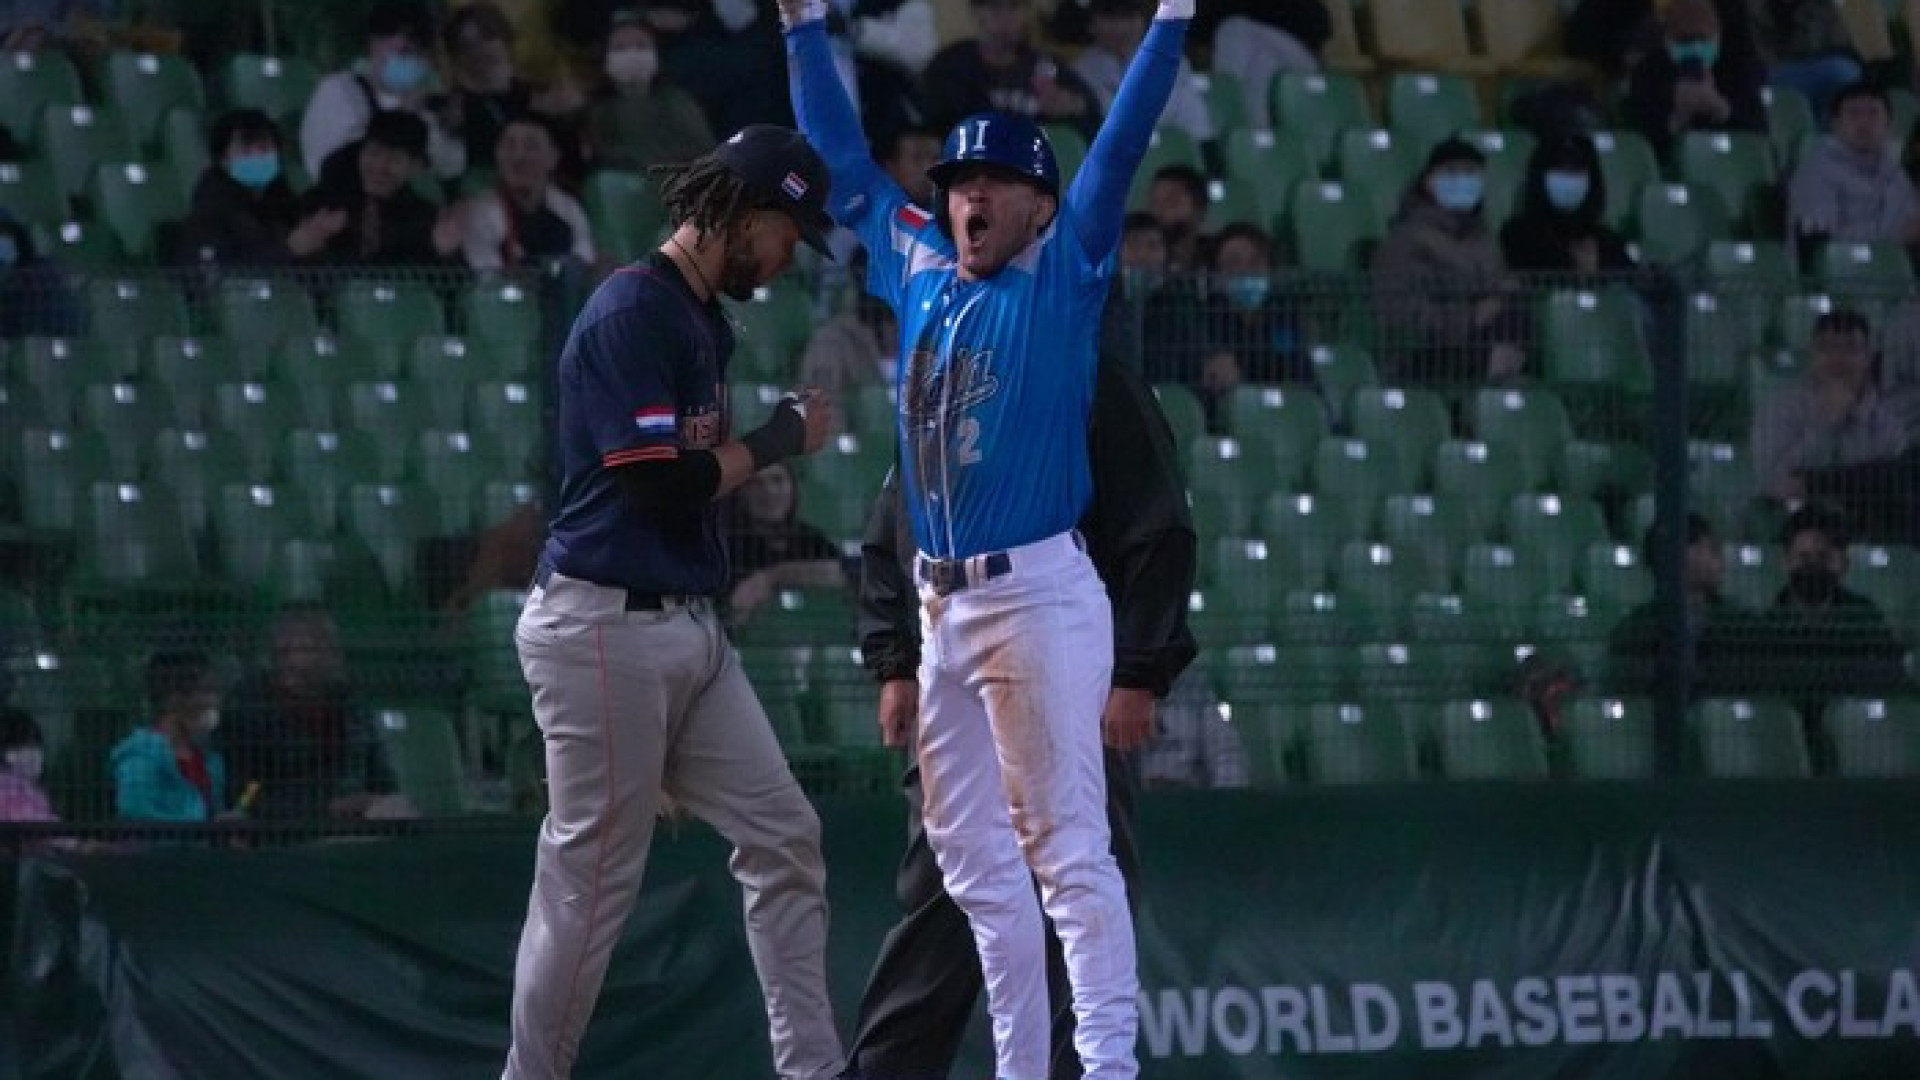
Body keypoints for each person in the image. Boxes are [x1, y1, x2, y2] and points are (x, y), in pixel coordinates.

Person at [785, 0, 1191, 1075]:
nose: (971, 198)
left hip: (1040, 596)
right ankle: (1023, 1066)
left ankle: (1103, 1069)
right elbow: (838, 157)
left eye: (997, 186)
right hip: (941, 605)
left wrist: (1169, 22)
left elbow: (1121, 146)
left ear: (1039, 208)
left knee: (1069, 856)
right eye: (961, 184)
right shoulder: (916, 260)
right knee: (970, 865)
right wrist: (801, 25)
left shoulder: (1063, 276)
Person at [499, 124, 843, 1080]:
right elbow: (656, 481)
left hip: (684, 629)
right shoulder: (632, 313)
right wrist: (777, 439)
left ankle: (814, 1071)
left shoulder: (700, 318)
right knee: (588, 889)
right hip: (603, 626)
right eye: (787, 232)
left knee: (784, 838)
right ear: (744, 210)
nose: (784, 258)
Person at [847, 352, 1197, 1080]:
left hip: (1065, 666)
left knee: (1076, 881)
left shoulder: (1089, 363)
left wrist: (1139, 668)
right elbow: (897, 520)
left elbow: (1160, 523)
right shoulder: (945, 359)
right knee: (944, 893)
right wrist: (891, 661)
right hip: (953, 664)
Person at [216, 605, 403, 822]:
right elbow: (244, 797)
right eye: (287, 648)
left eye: (322, 646)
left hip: (356, 832)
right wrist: (328, 807)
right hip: (284, 838)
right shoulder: (248, 706)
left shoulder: (350, 703)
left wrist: (390, 802)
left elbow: (379, 776)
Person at [1372, 136, 1529, 385]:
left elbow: (1501, 286)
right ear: (1429, 181)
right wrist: (1470, 318)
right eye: (1452, 172)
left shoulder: (1485, 238)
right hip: (1428, 356)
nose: (1462, 181)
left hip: (1490, 345)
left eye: (1470, 173)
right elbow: (1398, 312)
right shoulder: (1405, 240)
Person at [1750, 306, 1909, 505]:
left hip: (1864, 520)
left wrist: (1814, 484)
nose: (1838, 359)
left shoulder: (1888, 419)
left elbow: (1889, 484)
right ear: (1812, 355)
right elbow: (1773, 482)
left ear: (1868, 357)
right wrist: (1829, 425)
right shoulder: (1778, 410)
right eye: (1827, 348)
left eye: (1850, 349)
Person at [299, 1, 466, 182]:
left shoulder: (428, 106)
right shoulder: (340, 89)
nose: (401, 45)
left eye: (414, 44)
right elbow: (334, 163)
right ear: (372, 44)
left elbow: (451, 165)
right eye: (390, 35)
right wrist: (403, 116)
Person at [431, 1, 585, 175]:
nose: (480, 51)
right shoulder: (453, 109)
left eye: (488, 37)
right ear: (456, 57)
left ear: (506, 39)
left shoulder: (541, 93)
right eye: (467, 46)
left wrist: (569, 118)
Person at [297, 109, 465, 266]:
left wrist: (443, 255)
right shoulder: (319, 203)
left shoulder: (425, 218)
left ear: (416, 167)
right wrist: (296, 247)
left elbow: (441, 287)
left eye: (394, 159)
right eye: (374, 153)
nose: (380, 167)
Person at [918, 0, 1102, 140]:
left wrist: (1073, 106)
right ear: (977, 12)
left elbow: (1092, 114)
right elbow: (938, 127)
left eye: (1014, 7)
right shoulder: (949, 66)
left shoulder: (1044, 65)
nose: (1006, 18)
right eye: (996, 8)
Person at [1606, 512, 1740, 695]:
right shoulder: (1635, 632)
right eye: (1711, 549)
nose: (1720, 559)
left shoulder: (1737, 624)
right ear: (1681, 555)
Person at [1622, 0, 1766, 164]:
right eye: (1684, 40)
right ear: (1667, 39)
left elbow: (1760, 140)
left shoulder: (1737, 70)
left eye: (1702, 39)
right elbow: (1638, 146)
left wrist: (1721, 109)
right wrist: (1677, 118)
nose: (1695, 48)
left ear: (1717, 35)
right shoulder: (1648, 74)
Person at [1787, 81, 1920, 257]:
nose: (1864, 123)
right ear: (1835, 124)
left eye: (1873, 114)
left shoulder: (1897, 172)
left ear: (1888, 124)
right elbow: (1818, 245)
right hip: (1844, 275)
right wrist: (1896, 238)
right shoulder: (1815, 173)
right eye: (1853, 113)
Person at [456, 112, 598, 272]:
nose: (518, 156)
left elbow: (583, 264)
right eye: (509, 145)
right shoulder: (480, 212)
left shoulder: (568, 209)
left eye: (531, 146)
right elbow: (488, 278)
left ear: (553, 157)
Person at [583, 6, 716, 174]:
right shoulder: (596, 111)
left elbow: (704, 152)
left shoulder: (677, 101)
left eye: (641, 45)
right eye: (620, 48)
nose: (632, 55)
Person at [173, 108, 312, 266]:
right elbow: (221, 276)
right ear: (223, 159)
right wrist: (288, 250)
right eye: (246, 150)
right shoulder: (209, 214)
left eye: (265, 148)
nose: (258, 156)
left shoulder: (287, 204)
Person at [1071, 0, 1212, 148]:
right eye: (1110, 19)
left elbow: (1191, 115)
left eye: (1129, 17)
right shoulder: (1081, 70)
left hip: (1175, 149)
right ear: (1092, 25)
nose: (1120, 28)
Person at [110, 650, 229, 823]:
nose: (213, 702)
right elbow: (134, 813)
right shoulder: (140, 755)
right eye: (205, 691)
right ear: (173, 698)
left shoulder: (208, 758)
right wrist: (200, 827)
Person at [723, 462, 848, 624]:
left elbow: (843, 573)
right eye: (756, 483)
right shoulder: (725, 543)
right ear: (740, 492)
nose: (769, 491)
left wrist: (773, 577)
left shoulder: (808, 537)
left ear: (793, 487)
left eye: (778, 480)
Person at [1500, 132, 1637, 275]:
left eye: (1576, 170)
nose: (1568, 179)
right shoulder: (1517, 239)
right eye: (1559, 169)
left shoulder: (1609, 243)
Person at [1193, 0, 1329, 130]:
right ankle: (1246, 135)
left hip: (1295, 73)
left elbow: (1319, 29)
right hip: (1251, 68)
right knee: (1259, 61)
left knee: (1236, 30)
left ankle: (1234, 128)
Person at [1137, 667, 1245, 790]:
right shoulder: (1114, 690)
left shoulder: (1194, 689)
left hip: (1191, 798)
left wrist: (1222, 803)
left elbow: (1228, 758)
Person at [1747, 0, 1860, 115]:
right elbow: (1758, 52)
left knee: (1842, 73)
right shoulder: (1755, 9)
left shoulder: (1822, 6)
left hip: (1820, 65)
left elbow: (1841, 45)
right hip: (1772, 74)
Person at [1144, 161, 1208, 271]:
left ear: (1198, 207)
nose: (1161, 210)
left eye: (1172, 202)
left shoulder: (1215, 260)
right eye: (1155, 202)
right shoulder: (1139, 264)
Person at [0, 707, 57, 822]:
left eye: (36, 746)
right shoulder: (16, 787)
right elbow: (43, 829)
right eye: (20, 747)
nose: (33, 754)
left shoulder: (31, 788)